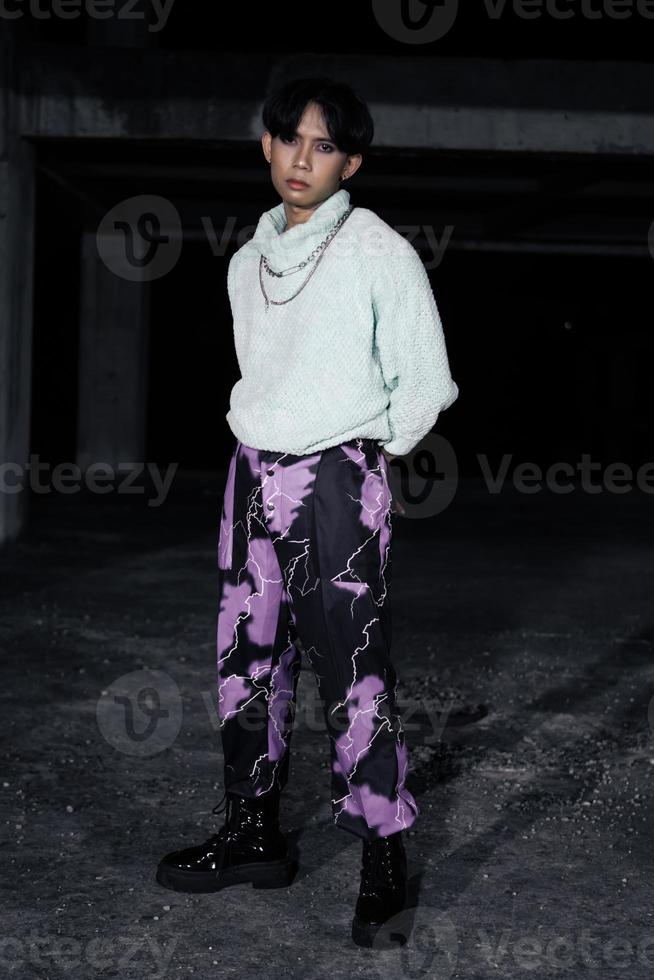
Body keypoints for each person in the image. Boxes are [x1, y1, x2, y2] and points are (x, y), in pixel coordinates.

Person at [157, 75, 459, 949]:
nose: (302, 157)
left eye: (323, 145)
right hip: (249, 471)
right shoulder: (245, 262)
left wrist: (361, 456)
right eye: (290, 138)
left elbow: (426, 383)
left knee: (353, 673)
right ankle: (254, 834)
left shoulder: (379, 253)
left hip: (334, 481)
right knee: (246, 661)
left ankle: (384, 862)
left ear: (350, 162)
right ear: (267, 145)